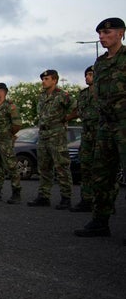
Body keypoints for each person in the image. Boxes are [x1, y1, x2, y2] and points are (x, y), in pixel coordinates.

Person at [75, 17, 126, 240]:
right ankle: (100, 221)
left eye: (107, 33)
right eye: (100, 34)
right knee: (101, 174)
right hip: (106, 124)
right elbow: (97, 93)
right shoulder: (100, 62)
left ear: (121, 33)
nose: (102, 37)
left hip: (124, 122)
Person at [27, 70, 77, 209]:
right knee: (44, 167)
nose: (43, 81)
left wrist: (65, 119)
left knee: (61, 167)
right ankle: (44, 196)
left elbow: (77, 108)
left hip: (57, 136)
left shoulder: (62, 95)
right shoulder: (42, 96)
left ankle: (66, 198)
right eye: (43, 79)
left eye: (47, 79)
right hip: (43, 135)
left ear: (54, 80)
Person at [0, 83, 23, 204]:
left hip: (5, 141)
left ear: (2, 92)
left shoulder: (9, 106)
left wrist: (8, 135)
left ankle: (16, 192)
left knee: (11, 166)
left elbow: (17, 125)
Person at [72, 66, 97, 212]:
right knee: (86, 168)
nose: (87, 77)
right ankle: (86, 200)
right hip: (87, 135)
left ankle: (105, 203)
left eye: (90, 74)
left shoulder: (104, 92)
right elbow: (77, 112)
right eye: (86, 74)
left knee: (103, 171)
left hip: (102, 133)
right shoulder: (83, 94)